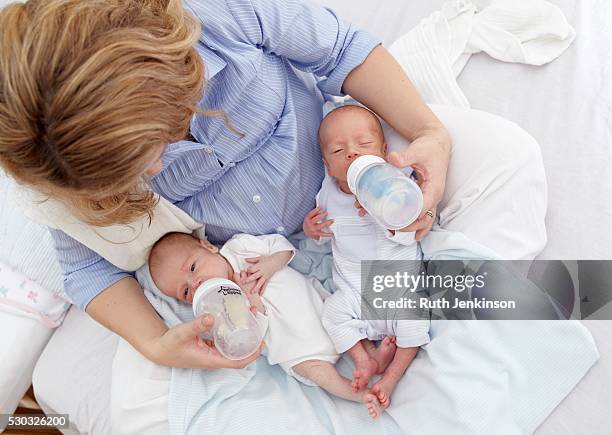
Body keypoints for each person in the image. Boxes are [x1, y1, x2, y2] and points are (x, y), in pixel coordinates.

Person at [0, 0, 450, 430]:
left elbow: (340, 50)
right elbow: (85, 265)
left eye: (147, 153)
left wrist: (428, 132)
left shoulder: (218, 18)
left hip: (349, 177)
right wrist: (155, 344)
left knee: (509, 166)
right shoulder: (62, 167)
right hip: (265, 263)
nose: (155, 171)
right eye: (135, 172)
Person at [148, 231, 397, 418]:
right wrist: (250, 301)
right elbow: (252, 336)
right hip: (297, 349)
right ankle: (358, 394)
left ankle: (372, 355)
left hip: (315, 305)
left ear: (207, 246)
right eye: (185, 292)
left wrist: (270, 264)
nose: (197, 283)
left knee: (343, 316)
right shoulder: (218, 309)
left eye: (193, 267)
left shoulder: (239, 248)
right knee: (319, 373)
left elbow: (282, 247)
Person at [303, 105, 429, 411]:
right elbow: (320, 234)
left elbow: (413, 228)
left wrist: (391, 214)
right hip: (355, 292)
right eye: (338, 150)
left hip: (397, 285)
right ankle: (366, 359)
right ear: (327, 165)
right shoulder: (327, 194)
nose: (352, 153)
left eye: (364, 144)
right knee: (332, 312)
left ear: (384, 152)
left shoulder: (397, 183)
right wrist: (311, 229)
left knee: (415, 318)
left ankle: (391, 378)